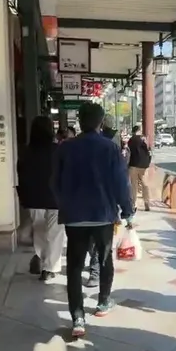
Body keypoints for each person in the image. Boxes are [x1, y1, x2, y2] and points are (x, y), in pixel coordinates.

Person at [55, 102, 135, 338]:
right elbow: (121, 183)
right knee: (105, 259)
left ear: (79, 121)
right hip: (103, 215)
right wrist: (127, 210)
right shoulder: (110, 148)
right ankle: (103, 302)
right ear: (101, 122)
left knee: (74, 266)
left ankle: (77, 318)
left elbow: (55, 181)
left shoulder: (65, 148)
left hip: (74, 217)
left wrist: (65, 204)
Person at [17, 115, 64, 282]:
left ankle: (43, 260)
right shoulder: (57, 150)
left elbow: (21, 175)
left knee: (39, 230)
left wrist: (24, 196)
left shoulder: (26, 152)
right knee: (55, 233)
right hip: (55, 198)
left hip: (34, 198)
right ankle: (50, 268)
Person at [126, 125, 152, 213]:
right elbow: (148, 151)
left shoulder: (130, 140)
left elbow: (129, 152)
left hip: (133, 165)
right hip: (143, 166)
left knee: (134, 185)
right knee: (145, 184)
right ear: (139, 131)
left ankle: (133, 204)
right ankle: (146, 203)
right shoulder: (143, 139)